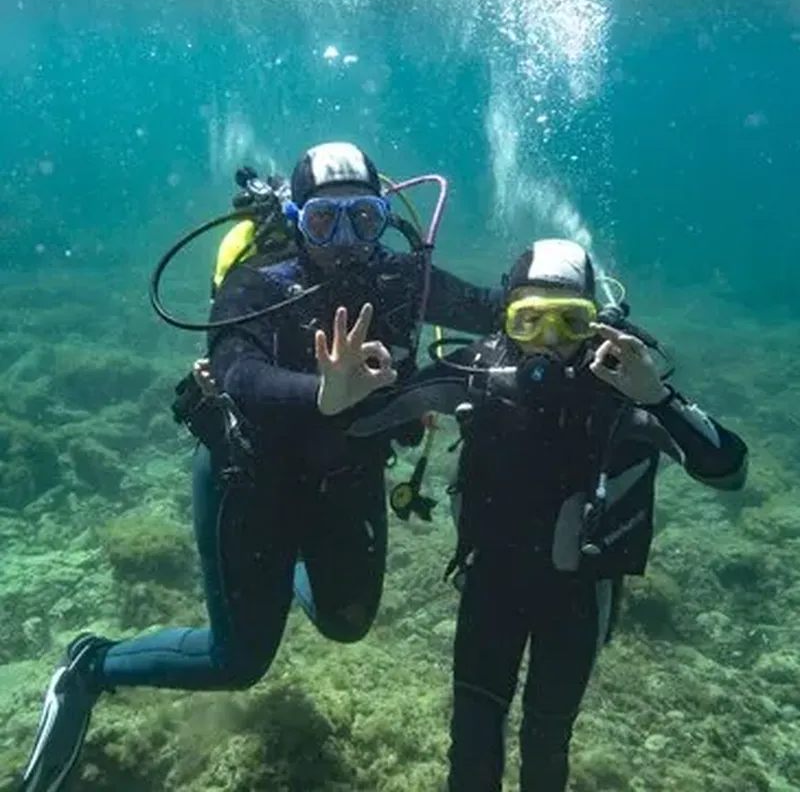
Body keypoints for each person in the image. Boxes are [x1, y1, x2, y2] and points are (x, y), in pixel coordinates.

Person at [19, 141, 502, 792]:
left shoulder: (401, 280)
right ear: (297, 218)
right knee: (238, 661)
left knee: (347, 621)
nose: (344, 240)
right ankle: (90, 666)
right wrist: (322, 395)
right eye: (323, 221)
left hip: (343, 478)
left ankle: (292, 567)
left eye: (361, 218)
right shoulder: (260, 284)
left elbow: (490, 309)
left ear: (383, 218)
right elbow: (235, 370)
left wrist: (580, 313)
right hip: (250, 484)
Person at [344, 237, 749, 791]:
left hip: (576, 599)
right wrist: (344, 390)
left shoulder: (623, 391)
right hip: (491, 584)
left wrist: (655, 396)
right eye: (529, 321)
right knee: (473, 740)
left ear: (597, 323)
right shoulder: (476, 376)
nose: (550, 344)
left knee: (546, 743)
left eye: (570, 322)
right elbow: (364, 420)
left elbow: (728, 470)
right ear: (504, 319)